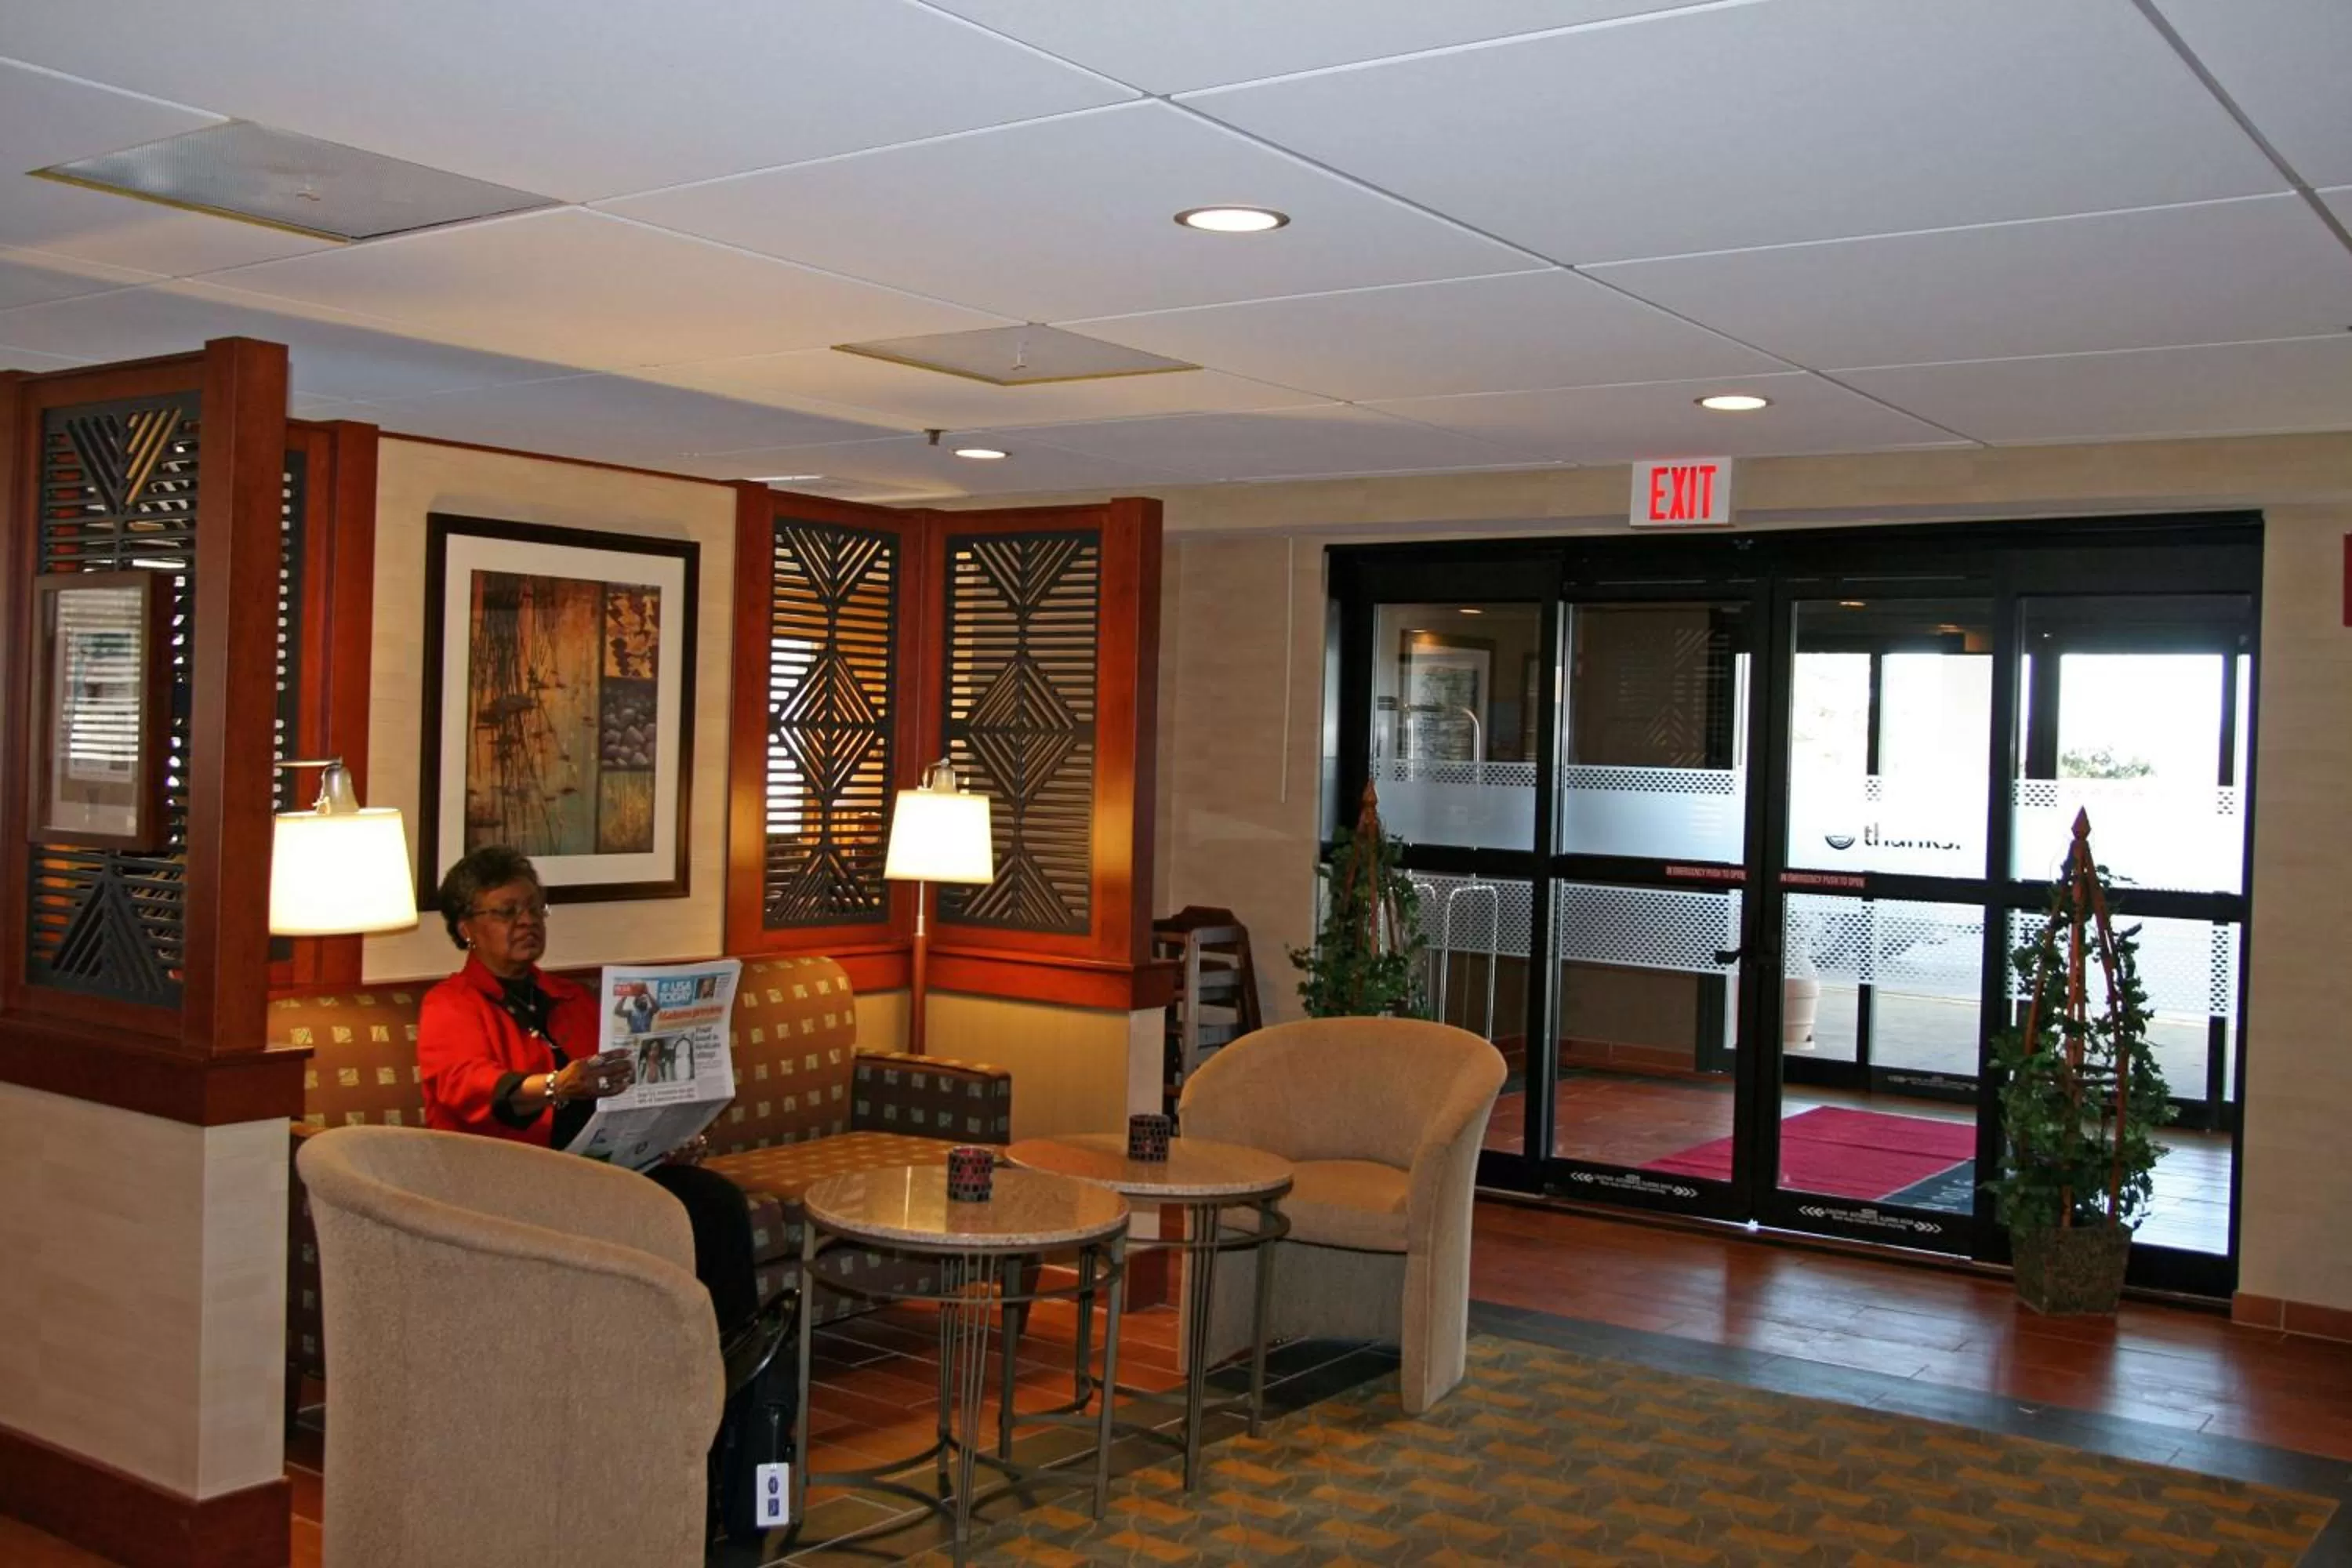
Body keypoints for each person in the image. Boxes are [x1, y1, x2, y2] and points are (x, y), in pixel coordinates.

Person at [416, 844, 757, 1334]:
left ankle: (731, 1360)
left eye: (535, 908)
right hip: (509, 1177)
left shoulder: (571, 999)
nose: (527, 921)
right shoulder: (451, 1004)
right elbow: (464, 1086)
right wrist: (557, 1085)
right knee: (643, 1217)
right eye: (508, 912)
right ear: (466, 928)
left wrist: (663, 1138)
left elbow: (623, 1090)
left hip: (596, 1167)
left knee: (714, 1200)